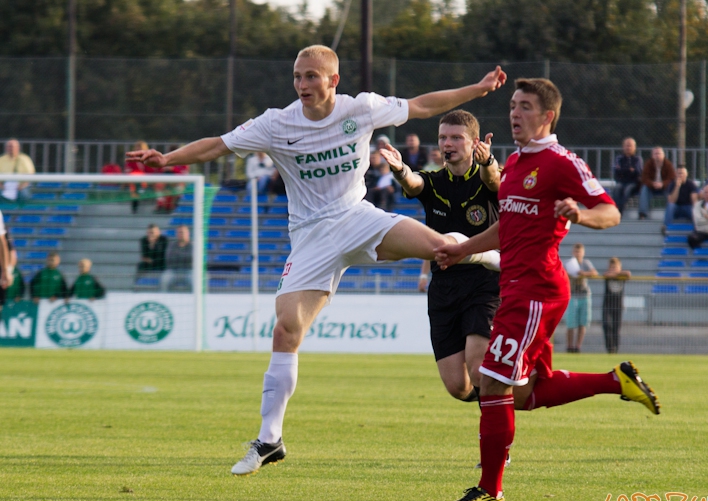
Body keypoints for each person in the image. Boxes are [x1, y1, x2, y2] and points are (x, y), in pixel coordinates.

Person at [125, 44, 507, 476]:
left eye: (311, 76)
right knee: (286, 329)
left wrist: (476, 90)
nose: (302, 84)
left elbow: (421, 105)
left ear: (333, 80)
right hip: (310, 238)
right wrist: (167, 158)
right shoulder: (276, 122)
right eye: (297, 76)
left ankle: (499, 259)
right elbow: (218, 145)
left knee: (442, 247)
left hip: (358, 217)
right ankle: (270, 439)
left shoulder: (360, 109)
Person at [434, 77, 660, 501]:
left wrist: (581, 214)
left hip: (537, 290)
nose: (514, 113)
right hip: (515, 288)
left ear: (547, 116)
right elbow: (508, 227)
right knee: (525, 392)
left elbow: (610, 213)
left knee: (492, 381)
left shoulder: (561, 162)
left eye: (525, 107)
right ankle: (617, 381)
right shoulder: (515, 163)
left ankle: (490, 487)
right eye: (513, 105)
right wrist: (462, 249)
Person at [382, 109, 500, 405]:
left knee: (478, 368)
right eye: (443, 138)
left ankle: (497, 442)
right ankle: (499, 394)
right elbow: (414, 184)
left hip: (484, 284)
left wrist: (489, 162)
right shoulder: (435, 182)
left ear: (474, 142)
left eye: (456, 138)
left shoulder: (486, 177)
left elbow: (494, 181)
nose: (448, 143)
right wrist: (400, 170)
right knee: (457, 387)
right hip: (444, 288)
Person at [564, 243, 596, 353]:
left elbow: (594, 273)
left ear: (583, 253)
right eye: (576, 252)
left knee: (583, 323)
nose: (577, 254)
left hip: (584, 295)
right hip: (572, 295)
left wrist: (584, 273)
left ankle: (577, 346)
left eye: (579, 252)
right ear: (573, 252)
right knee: (571, 323)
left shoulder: (586, 263)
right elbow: (561, 273)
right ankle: (569, 346)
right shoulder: (569, 264)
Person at [602, 257, 631, 354]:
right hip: (607, 305)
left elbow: (628, 274)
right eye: (612, 267)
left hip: (618, 305)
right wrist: (613, 274)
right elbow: (606, 275)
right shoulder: (608, 275)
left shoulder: (621, 276)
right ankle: (609, 348)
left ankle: (616, 348)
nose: (613, 269)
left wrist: (617, 273)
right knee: (607, 325)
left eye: (616, 267)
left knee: (616, 327)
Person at [638, 146, 675, 220]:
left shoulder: (668, 164)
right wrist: (652, 183)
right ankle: (643, 214)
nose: (657, 155)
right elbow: (644, 178)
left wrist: (662, 184)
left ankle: (671, 214)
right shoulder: (648, 164)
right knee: (644, 189)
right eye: (655, 154)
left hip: (664, 187)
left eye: (659, 153)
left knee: (670, 191)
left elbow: (671, 178)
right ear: (652, 155)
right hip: (651, 187)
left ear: (663, 155)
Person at [125, 140, 161, 214]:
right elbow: (128, 171)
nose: (138, 149)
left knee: (159, 184)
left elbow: (153, 170)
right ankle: (134, 208)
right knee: (135, 183)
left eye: (140, 148)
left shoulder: (149, 159)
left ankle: (160, 204)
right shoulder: (131, 160)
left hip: (147, 180)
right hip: (135, 181)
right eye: (137, 148)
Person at [611, 137, 643, 216]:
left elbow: (638, 173)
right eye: (626, 146)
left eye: (630, 146)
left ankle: (620, 211)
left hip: (633, 183)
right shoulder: (619, 158)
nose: (628, 148)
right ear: (623, 147)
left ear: (634, 147)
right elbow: (616, 171)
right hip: (621, 181)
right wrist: (629, 170)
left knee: (627, 190)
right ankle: (614, 209)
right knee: (617, 189)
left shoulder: (637, 159)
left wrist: (623, 170)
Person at [0, 139, 34, 204]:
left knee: (23, 195)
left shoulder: (24, 159)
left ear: (18, 148)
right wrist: (1, 186)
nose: (11, 148)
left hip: (21, 186)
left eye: (12, 146)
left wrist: (22, 185)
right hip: (4, 186)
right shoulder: (1, 159)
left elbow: (31, 175)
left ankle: (19, 212)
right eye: (9, 146)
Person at [663, 165, 698, 229]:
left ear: (686, 174)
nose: (681, 175)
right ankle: (666, 227)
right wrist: (677, 187)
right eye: (679, 173)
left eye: (682, 173)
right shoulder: (672, 184)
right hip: (676, 208)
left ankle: (697, 228)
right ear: (676, 174)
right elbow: (671, 200)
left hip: (687, 207)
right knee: (670, 205)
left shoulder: (691, 184)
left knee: (695, 208)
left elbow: (694, 201)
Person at [157, 144, 188, 214]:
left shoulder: (184, 161)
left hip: (177, 181)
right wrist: (163, 169)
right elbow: (158, 170)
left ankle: (174, 206)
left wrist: (174, 169)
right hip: (166, 180)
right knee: (159, 185)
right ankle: (161, 205)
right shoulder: (165, 160)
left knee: (179, 186)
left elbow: (184, 174)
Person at [160, 225, 193, 291]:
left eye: (182, 232)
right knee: (164, 279)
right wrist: (185, 258)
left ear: (188, 233)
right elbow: (169, 258)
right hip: (174, 271)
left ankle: (194, 300)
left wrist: (178, 256)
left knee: (196, 281)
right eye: (178, 232)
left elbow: (192, 258)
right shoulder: (172, 245)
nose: (180, 234)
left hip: (189, 271)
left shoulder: (192, 245)